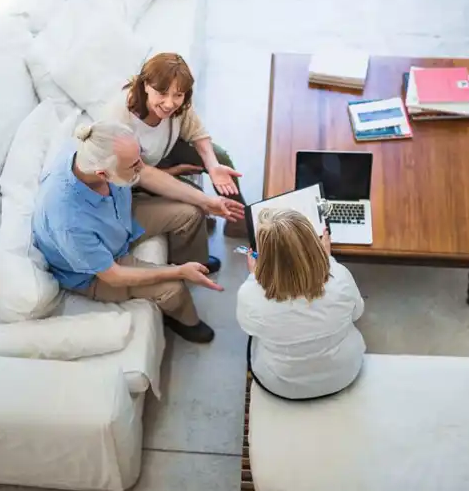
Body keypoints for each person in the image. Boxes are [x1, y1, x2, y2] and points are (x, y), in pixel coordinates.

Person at [32, 120, 245, 343]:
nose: (141, 166)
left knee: (191, 213)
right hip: (96, 272)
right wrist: (178, 272)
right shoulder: (67, 220)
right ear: (103, 174)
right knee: (173, 288)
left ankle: (194, 262)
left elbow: (146, 174)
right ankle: (184, 320)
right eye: (134, 165)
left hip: (118, 221)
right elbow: (113, 275)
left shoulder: (90, 150)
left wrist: (207, 202)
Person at [103, 52, 248, 238]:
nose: (169, 104)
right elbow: (136, 174)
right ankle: (202, 220)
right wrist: (173, 172)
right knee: (195, 197)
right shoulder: (120, 117)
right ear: (146, 85)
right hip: (132, 176)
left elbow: (197, 133)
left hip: (162, 152)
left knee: (219, 158)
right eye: (162, 93)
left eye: (178, 95)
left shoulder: (180, 102)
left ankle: (239, 222)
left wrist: (213, 166)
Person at [236, 208, 366, 400]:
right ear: (313, 244)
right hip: (343, 374)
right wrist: (328, 261)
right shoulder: (340, 277)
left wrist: (254, 277)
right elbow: (357, 313)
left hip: (281, 384)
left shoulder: (249, 294)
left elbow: (250, 329)